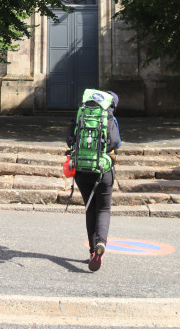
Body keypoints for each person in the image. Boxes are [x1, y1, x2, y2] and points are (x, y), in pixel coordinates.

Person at [66, 91, 121, 272]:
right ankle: (101, 244)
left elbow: (69, 139)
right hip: (103, 170)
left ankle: (92, 251)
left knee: (90, 208)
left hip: (82, 168)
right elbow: (115, 143)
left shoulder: (81, 114)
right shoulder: (109, 118)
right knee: (103, 209)